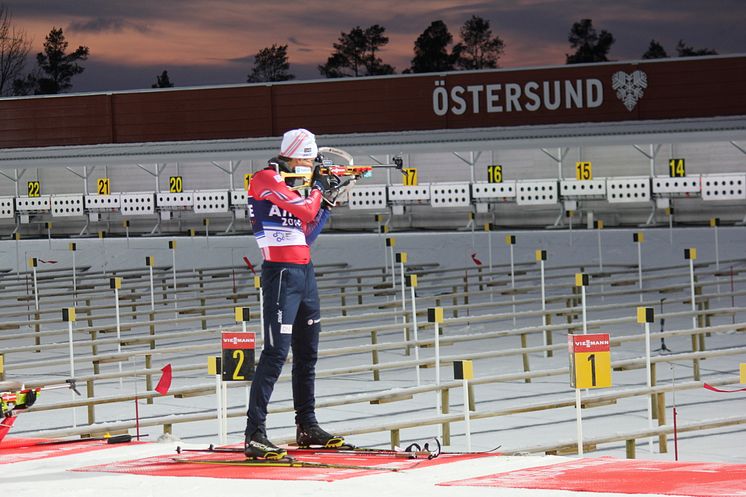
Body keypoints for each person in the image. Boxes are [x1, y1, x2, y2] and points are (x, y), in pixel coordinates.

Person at [243, 128, 347, 459]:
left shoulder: (293, 190)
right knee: (275, 354)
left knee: (307, 353)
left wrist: (326, 204)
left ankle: (307, 425)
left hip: (304, 272)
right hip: (281, 274)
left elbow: (306, 233)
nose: (310, 165)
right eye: (308, 159)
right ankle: (254, 433)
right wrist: (318, 189)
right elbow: (304, 210)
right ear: (294, 156)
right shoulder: (265, 179)